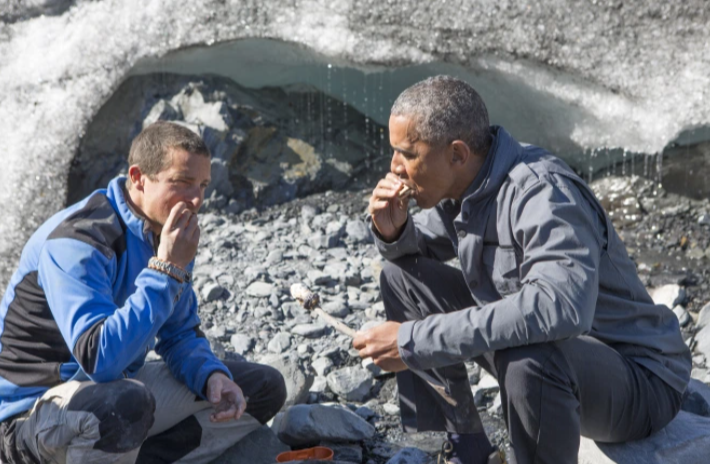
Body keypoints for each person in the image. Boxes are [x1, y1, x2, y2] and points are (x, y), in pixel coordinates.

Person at [353, 76, 691, 464]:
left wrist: (416, 341)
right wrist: (391, 229)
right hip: (555, 359)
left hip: (639, 381)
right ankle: (467, 448)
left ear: (457, 153)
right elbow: (420, 249)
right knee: (401, 276)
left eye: (406, 154)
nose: (394, 168)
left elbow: (561, 308)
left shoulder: (543, 192)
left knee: (529, 356)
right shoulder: (465, 184)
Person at [0, 121, 286, 463]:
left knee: (260, 388)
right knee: (125, 404)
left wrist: (211, 376)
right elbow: (99, 360)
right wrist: (166, 269)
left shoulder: (165, 232)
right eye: (181, 183)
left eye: (203, 185)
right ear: (138, 178)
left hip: (112, 392)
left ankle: (136, 456)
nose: (196, 200)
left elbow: (179, 333)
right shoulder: (78, 240)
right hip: (29, 415)